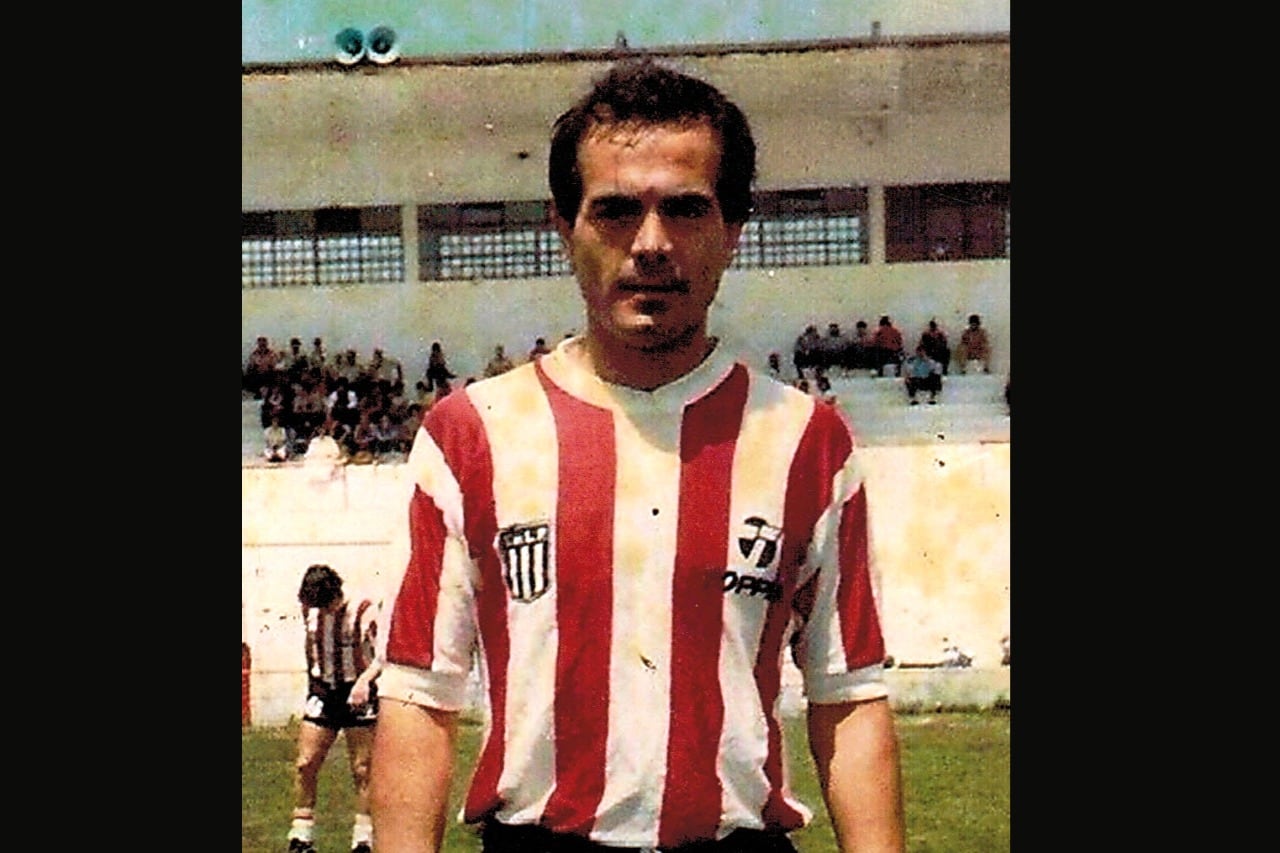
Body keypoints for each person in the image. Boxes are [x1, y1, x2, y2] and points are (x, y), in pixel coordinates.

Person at [370, 58, 904, 853]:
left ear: (732, 231)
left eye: (686, 210)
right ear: (565, 228)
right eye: (616, 210)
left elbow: (850, 696)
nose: (650, 245)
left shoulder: (806, 441)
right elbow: (419, 696)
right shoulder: (472, 431)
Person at [286, 564, 382, 853]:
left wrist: (365, 682)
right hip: (324, 691)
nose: (322, 611)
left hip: (357, 691)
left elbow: (383, 655)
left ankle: (363, 839)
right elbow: (310, 646)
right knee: (306, 762)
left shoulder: (363, 611)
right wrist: (312, 681)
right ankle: (301, 836)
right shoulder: (311, 611)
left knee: (363, 768)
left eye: (325, 605)